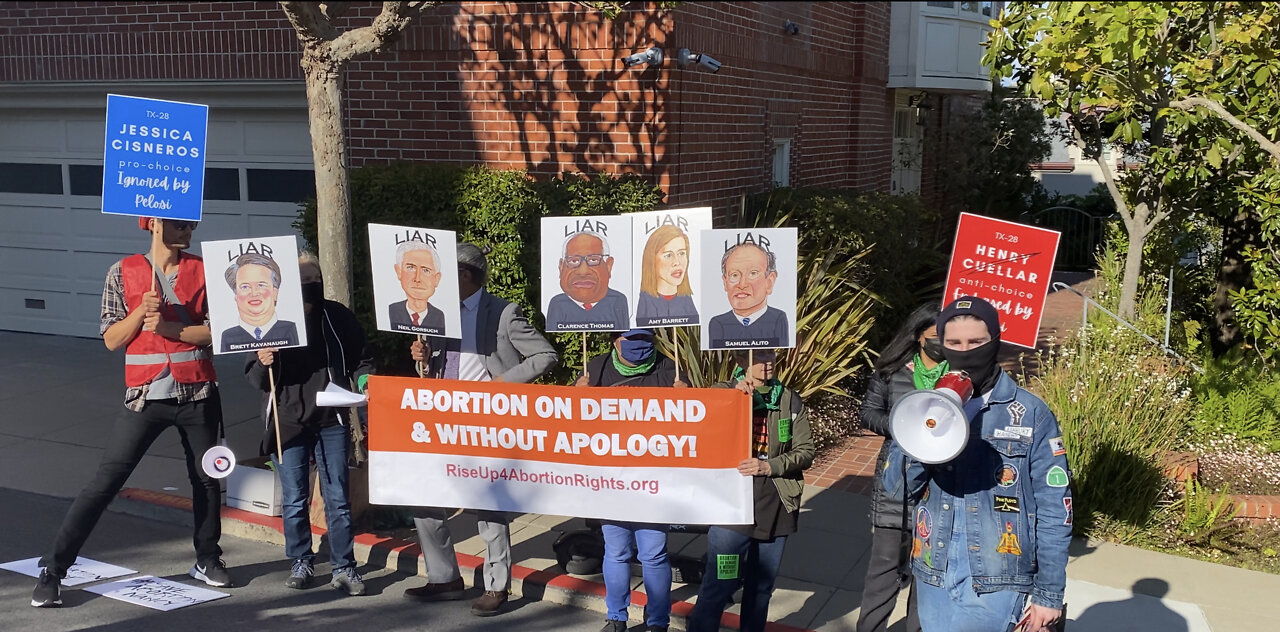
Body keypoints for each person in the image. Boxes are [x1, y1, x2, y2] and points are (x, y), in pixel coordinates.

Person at [32, 217, 232, 608]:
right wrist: (141, 312)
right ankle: (53, 569)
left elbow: (221, 331)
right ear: (155, 224)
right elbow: (111, 339)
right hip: (145, 398)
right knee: (105, 483)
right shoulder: (121, 272)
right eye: (180, 226)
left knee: (206, 480)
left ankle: (207, 559)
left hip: (198, 392)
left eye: (191, 227)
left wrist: (172, 329)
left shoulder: (206, 272)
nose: (188, 233)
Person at [883, 297, 1071, 632]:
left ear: (995, 342)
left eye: (976, 342)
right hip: (933, 569)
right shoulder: (924, 406)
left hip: (998, 577)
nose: (965, 351)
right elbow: (896, 489)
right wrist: (924, 430)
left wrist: (1049, 593)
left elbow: (1056, 509)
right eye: (954, 343)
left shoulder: (1030, 414)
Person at [403, 243, 558, 616]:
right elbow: (433, 367)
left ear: (466, 276)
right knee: (425, 498)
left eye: (444, 274)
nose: (434, 281)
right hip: (443, 416)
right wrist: (421, 359)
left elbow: (546, 354)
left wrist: (502, 383)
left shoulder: (503, 313)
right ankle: (445, 578)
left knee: (488, 504)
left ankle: (496, 586)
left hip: (488, 419)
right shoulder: (434, 313)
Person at [245, 252, 373, 596]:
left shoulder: (337, 316)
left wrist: (364, 384)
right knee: (294, 498)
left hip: (331, 418)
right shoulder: (269, 318)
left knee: (338, 496)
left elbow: (361, 359)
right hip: (287, 420)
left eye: (312, 279)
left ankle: (344, 566)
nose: (308, 285)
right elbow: (257, 379)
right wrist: (262, 361)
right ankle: (301, 560)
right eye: (300, 280)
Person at [688, 348, 814, 632]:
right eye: (759, 357)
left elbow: (806, 451)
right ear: (740, 360)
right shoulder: (722, 392)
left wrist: (770, 466)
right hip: (732, 508)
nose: (767, 363)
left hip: (776, 504)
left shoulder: (789, 399)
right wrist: (733, 398)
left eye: (771, 356)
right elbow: (701, 430)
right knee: (720, 584)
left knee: (761, 588)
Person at [576, 329, 687, 632]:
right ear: (614, 340)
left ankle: (657, 623)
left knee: (653, 554)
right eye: (631, 339)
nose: (641, 346)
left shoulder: (670, 370)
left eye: (646, 339)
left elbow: (693, 426)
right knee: (617, 552)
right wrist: (576, 396)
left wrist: (686, 400)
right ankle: (616, 618)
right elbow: (569, 424)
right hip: (612, 480)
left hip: (655, 479)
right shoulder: (595, 369)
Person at [855, 304, 947, 632]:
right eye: (936, 337)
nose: (943, 343)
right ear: (919, 337)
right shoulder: (892, 371)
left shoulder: (961, 377)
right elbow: (868, 413)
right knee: (882, 574)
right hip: (897, 485)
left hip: (941, 490)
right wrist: (903, 426)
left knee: (927, 579)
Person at [707, 241, 788, 348]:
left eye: (753, 273)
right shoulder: (718, 324)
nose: (742, 284)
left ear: (769, 281)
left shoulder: (778, 319)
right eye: (734, 275)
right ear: (725, 282)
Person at [546, 229, 630, 331]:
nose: (583, 272)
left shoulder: (617, 301)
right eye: (573, 261)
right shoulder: (558, 304)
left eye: (593, 260)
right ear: (561, 266)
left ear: (609, 265)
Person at [220, 251, 299, 352]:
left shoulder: (290, 330)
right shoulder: (228, 337)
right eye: (245, 286)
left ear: (275, 292)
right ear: (236, 295)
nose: (254, 293)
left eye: (261, 285)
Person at [636, 224, 699, 327]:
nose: (677, 262)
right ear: (652, 260)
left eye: (681, 253)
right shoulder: (646, 303)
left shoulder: (687, 301)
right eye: (668, 255)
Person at [387, 239, 446, 335]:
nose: (417, 278)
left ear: (436, 278)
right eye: (410, 268)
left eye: (426, 270)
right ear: (399, 271)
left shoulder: (441, 317)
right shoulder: (390, 312)